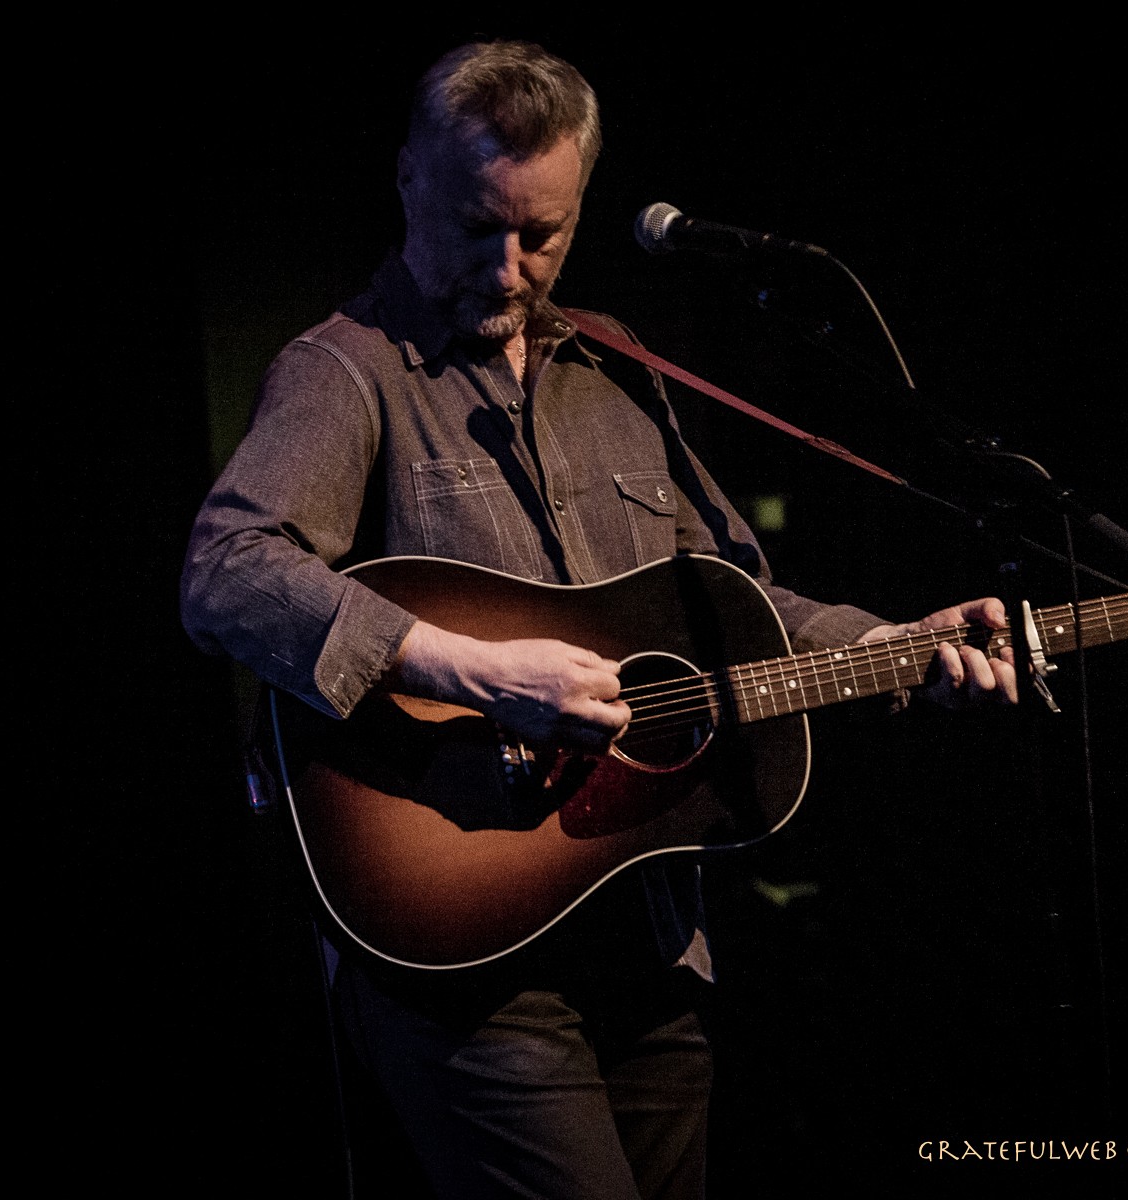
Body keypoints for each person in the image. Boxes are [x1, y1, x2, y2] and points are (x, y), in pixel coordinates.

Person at [181, 38, 1017, 1199]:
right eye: (481, 229)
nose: (514, 267)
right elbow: (225, 570)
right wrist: (474, 669)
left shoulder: (617, 369)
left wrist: (886, 645)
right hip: (463, 955)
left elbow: (734, 603)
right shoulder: (346, 371)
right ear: (409, 183)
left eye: (546, 234)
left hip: (651, 933)